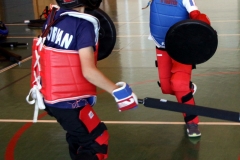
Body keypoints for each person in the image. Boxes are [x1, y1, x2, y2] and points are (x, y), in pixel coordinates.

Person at [26, 0, 138, 159]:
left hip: (48, 97)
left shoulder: (53, 16)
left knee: (78, 137)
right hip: (69, 103)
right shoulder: (83, 25)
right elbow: (88, 71)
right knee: (97, 141)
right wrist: (119, 92)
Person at [145, 0, 211, 137]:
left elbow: (195, 15)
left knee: (179, 84)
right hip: (162, 45)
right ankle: (189, 89)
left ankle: (192, 123)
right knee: (167, 88)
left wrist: (204, 26)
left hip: (182, 47)